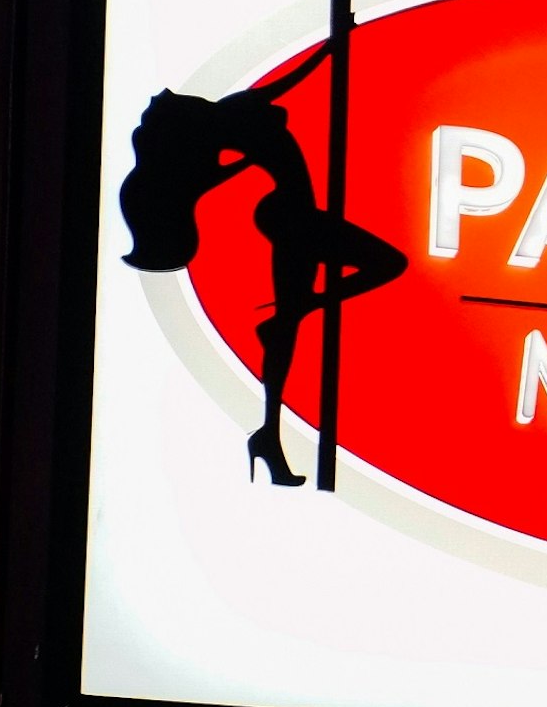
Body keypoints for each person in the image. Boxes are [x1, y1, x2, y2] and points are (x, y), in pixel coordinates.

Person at [117, 48, 406, 487]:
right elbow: (221, 171)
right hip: (290, 216)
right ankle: (295, 330)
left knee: (289, 325)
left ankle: (268, 435)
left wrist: (335, 44)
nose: (169, 96)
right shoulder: (215, 137)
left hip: (292, 213)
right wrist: (247, 162)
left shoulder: (230, 113)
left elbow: (282, 83)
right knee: (387, 262)